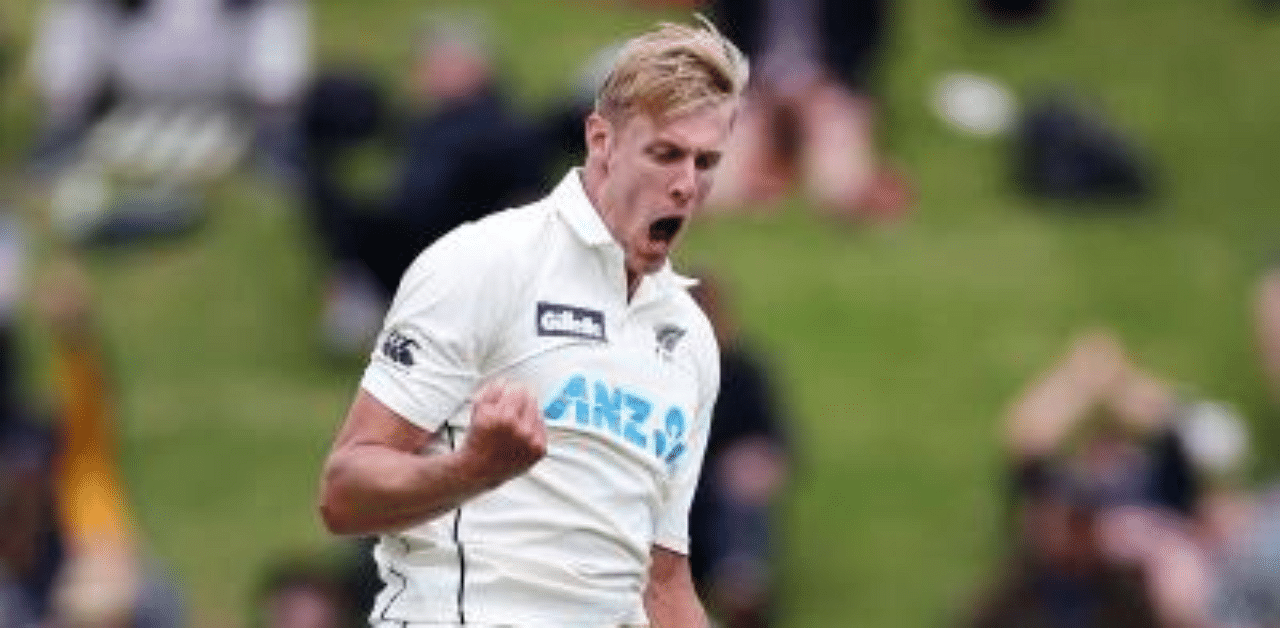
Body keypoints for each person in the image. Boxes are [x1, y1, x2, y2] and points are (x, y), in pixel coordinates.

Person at [317, 19, 748, 628]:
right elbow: (344, 494)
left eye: (707, 161)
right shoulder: (488, 260)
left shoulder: (688, 337)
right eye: (665, 153)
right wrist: (471, 470)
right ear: (601, 140)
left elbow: (665, 586)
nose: (685, 184)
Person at [300, 15, 548, 354]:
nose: (428, 73)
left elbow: (528, 202)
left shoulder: (506, 130)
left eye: (442, 63)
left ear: (476, 67)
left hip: (465, 252)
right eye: (428, 63)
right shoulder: (423, 125)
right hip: (415, 242)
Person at [687, 274, 792, 628]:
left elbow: (775, 442)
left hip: (723, 496)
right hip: (670, 489)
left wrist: (759, 462)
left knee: (740, 482)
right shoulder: (656, 372)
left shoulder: (742, 370)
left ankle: (740, 585)